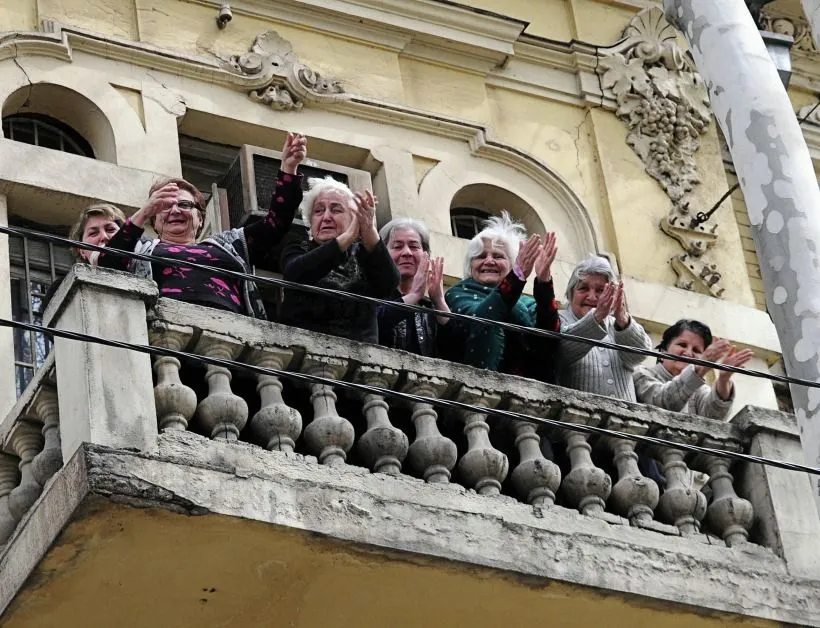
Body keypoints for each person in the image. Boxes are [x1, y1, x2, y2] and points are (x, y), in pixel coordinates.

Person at [98, 133, 307, 318]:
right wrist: (143, 212)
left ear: (200, 219)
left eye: (184, 204)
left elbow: (275, 224)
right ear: (155, 219)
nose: (175, 210)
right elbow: (106, 264)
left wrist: (288, 168)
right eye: (164, 206)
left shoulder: (229, 245)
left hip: (231, 335)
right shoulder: (140, 247)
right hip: (166, 332)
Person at [279, 177, 399, 343]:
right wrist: (349, 236)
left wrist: (368, 229)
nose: (326, 217)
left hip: (360, 359)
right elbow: (295, 272)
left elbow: (389, 284)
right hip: (302, 350)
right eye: (318, 211)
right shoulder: (298, 247)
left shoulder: (363, 254)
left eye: (336, 210)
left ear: (353, 219)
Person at [444, 212, 560, 382]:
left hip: (530, 395)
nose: (489, 261)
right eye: (481, 256)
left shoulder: (528, 303)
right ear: (470, 266)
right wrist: (517, 276)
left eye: (498, 256)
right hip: (478, 391)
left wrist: (544, 281)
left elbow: (549, 339)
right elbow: (483, 317)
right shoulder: (458, 293)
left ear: (512, 263)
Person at [558, 256, 651, 401]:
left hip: (624, 420)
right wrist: (596, 318)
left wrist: (623, 319)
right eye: (583, 288)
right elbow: (560, 352)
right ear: (571, 294)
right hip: (576, 417)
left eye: (601, 290)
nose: (592, 296)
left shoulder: (619, 324)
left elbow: (640, 355)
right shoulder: (559, 318)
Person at [634, 319, 754, 420]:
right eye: (682, 345)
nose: (688, 353)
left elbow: (714, 419)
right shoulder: (641, 374)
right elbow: (662, 401)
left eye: (696, 350)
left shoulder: (699, 389)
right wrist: (701, 366)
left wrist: (724, 379)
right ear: (664, 350)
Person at [377, 218, 450, 357]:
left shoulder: (430, 307)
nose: (407, 253)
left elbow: (456, 350)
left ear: (425, 255)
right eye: (397, 246)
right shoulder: (374, 292)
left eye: (414, 246)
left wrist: (439, 301)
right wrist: (413, 296)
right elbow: (373, 324)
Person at [41, 203, 128, 314]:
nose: (104, 237)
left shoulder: (143, 269)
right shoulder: (61, 288)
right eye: (93, 233)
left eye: (110, 230)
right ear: (81, 250)